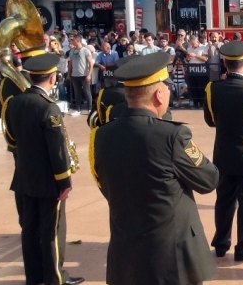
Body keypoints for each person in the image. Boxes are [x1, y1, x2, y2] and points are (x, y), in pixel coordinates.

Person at [90, 52, 219, 285]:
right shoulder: (172, 135)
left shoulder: (101, 135)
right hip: (170, 258)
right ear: (159, 95)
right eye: (167, 87)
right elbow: (209, 179)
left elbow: (105, 184)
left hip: (126, 255)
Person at [4, 54, 84, 285]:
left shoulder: (14, 102)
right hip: (49, 181)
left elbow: (12, 140)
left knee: (29, 229)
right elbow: (57, 149)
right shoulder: (48, 108)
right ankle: (55, 277)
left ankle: (35, 277)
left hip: (24, 176)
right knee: (52, 231)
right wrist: (64, 181)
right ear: (52, 78)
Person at [204, 41, 243, 261]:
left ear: (224, 62)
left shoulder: (213, 89)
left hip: (223, 153)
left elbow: (210, 121)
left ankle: (221, 243)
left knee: (224, 200)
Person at [67, 35, 93, 116]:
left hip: (84, 74)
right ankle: (78, 109)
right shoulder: (71, 51)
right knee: (77, 92)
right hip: (74, 75)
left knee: (87, 92)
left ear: (78, 41)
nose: (71, 42)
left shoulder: (85, 50)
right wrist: (68, 74)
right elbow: (70, 64)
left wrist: (89, 74)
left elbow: (90, 63)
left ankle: (89, 108)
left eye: (73, 40)